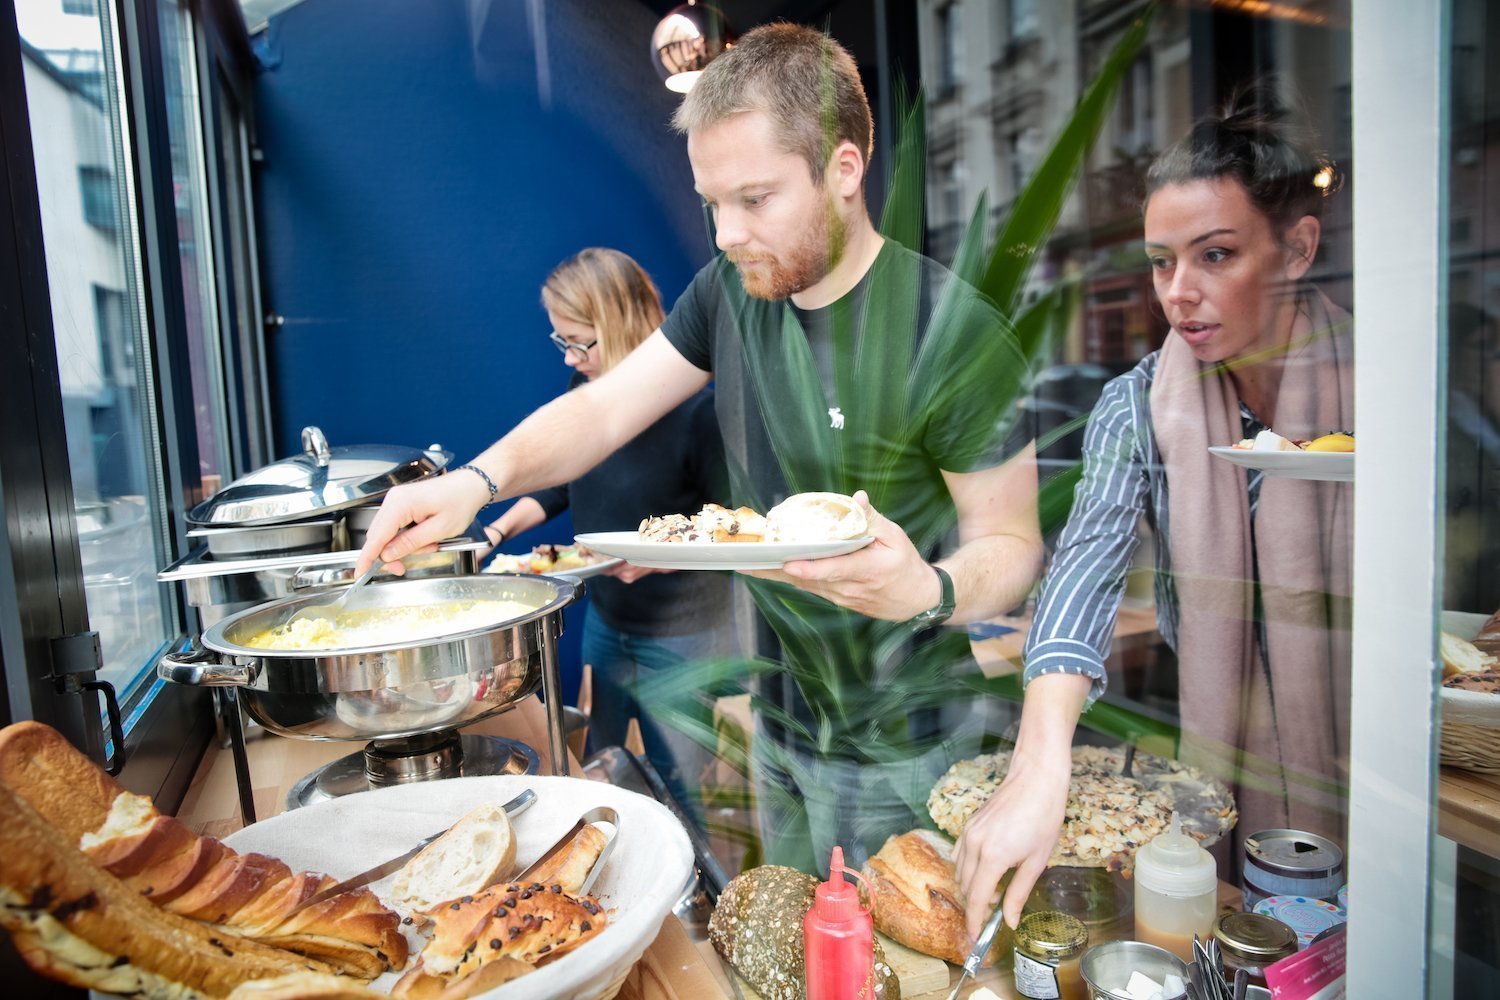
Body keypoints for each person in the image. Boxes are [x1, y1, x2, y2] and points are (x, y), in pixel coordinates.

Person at [358, 23, 1042, 874]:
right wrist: (476, 481)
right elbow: (603, 413)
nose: (724, 234)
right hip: (782, 719)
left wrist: (929, 588)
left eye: (755, 200)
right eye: (712, 202)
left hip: (913, 746)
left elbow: (1013, 546)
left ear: (843, 171)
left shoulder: (949, 329)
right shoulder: (730, 293)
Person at [954, 86, 1353, 937]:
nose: (1179, 291)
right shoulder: (1138, 405)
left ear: (1295, 250)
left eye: (1215, 255)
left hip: (1381, 754)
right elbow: (1086, 571)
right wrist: (1038, 761)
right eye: (1161, 261)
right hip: (1220, 749)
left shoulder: (1381, 377)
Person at [481, 247, 732, 816]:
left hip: (684, 633)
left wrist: (656, 555)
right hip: (610, 620)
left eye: (578, 342)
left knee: (680, 777)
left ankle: (692, 884)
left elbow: (732, 526)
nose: (570, 358)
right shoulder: (584, 394)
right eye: (560, 341)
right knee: (607, 763)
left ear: (619, 323)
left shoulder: (698, 411)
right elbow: (561, 486)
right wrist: (495, 533)